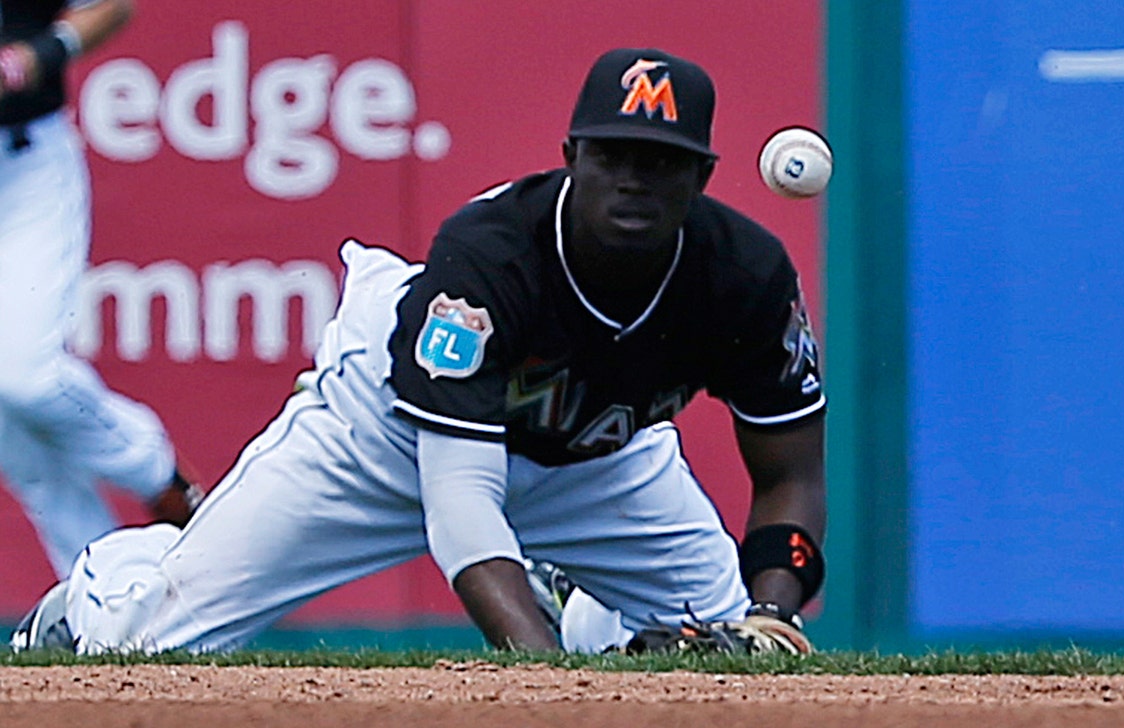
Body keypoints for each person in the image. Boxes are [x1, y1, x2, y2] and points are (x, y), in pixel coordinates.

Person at [10, 47, 826, 655]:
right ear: (571, 157)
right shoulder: (490, 258)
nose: (634, 182)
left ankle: (576, 602)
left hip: (598, 461)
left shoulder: (744, 277)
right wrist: (549, 686)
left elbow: (790, 474)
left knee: (727, 653)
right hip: (389, 437)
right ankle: (104, 587)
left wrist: (774, 611)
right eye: (613, 156)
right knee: (148, 643)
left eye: (662, 164)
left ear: (703, 176)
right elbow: (463, 506)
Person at [0, 0, 203, 579]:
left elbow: (109, 6)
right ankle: (99, 592)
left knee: (24, 375)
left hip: (21, 156)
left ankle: (155, 471)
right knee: (8, 425)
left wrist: (38, 54)